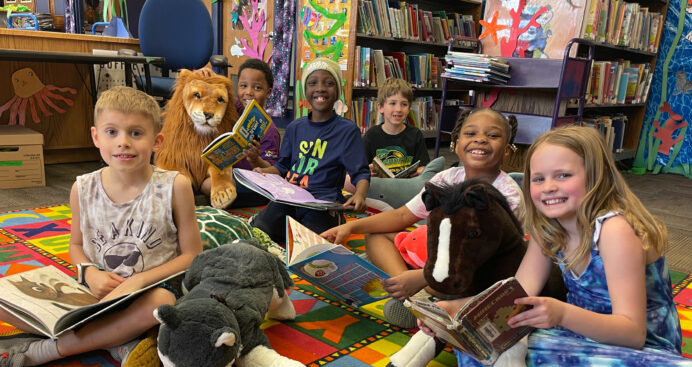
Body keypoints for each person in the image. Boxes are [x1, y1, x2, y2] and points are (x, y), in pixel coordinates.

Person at [432, 125, 692, 367]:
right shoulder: (548, 228)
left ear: (596, 177)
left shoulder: (615, 230)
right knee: (483, 336)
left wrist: (561, 314)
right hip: (579, 342)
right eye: (539, 178)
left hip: (637, 352)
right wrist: (456, 311)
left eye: (563, 176)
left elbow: (632, 333)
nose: (548, 187)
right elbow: (518, 295)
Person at [0, 86, 203, 367]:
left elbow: (192, 255)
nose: (123, 143)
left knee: (162, 304)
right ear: (96, 137)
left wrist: (141, 279)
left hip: (150, 292)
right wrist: (90, 272)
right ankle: (119, 342)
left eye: (135, 133)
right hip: (94, 293)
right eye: (112, 132)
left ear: (157, 141)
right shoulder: (82, 188)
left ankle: (42, 351)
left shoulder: (175, 185)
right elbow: (76, 245)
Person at [322, 108, 521, 328]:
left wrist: (422, 277)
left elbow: (489, 258)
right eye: (471, 133)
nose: (480, 140)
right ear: (455, 143)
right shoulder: (446, 178)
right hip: (436, 254)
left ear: (507, 151)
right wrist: (350, 228)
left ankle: (425, 291)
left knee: (482, 284)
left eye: (492, 136)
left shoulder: (507, 194)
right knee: (376, 235)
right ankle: (408, 292)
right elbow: (402, 215)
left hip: (472, 267)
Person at [250, 57, 370, 243]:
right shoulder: (294, 127)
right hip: (289, 197)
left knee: (313, 241)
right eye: (312, 83)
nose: (320, 88)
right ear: (305, 91)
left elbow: (360, 172)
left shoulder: (347, 130)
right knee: (261, 229)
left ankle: (333, 220)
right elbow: (283, 166)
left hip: (321, 202)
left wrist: (360, 194)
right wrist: (264, 172)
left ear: (338, 91)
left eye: (329, 83)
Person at [197, 58, 282, 207]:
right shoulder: (234, 108)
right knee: (205, 182)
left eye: (257, 88)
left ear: (268, 92)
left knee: (208, 185)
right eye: (243, 86)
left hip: (251, 181)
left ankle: (232, 201)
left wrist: (255, 159)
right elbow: (214, 94)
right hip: (226, 172)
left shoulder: (270, 131)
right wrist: (202, 75)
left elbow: (271, 171)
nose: (248, 93)